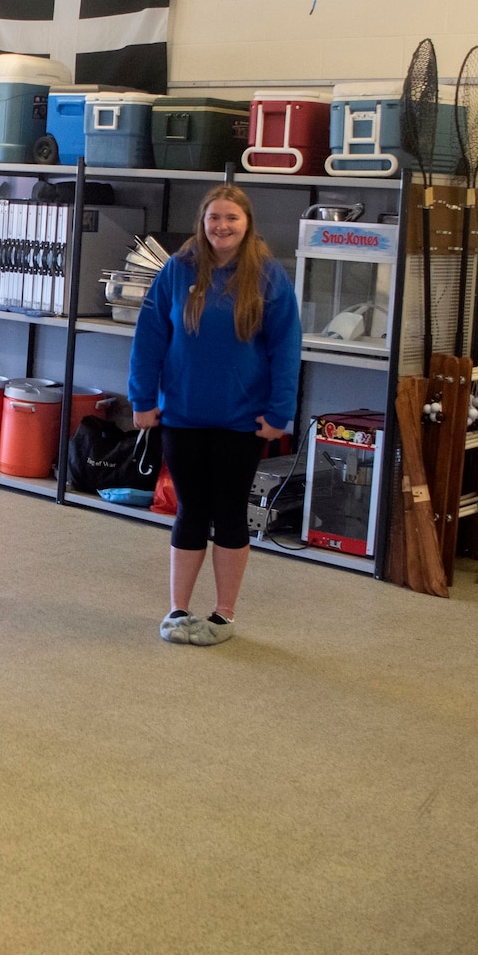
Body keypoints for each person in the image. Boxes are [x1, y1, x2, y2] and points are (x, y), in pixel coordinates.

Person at [129, 184, 301, 646]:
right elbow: (149, 338)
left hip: (242, 420)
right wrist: (143, 400)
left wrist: (279, 412)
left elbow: (286, 349)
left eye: (231, 218)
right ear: (202, 223)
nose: (221, 226)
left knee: (228, 513)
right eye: (213, 218)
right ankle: (177, 610)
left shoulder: (268, 275)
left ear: (247, 224)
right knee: (189, 511)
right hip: (182, 416)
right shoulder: (178, 269)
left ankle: (223, 615)